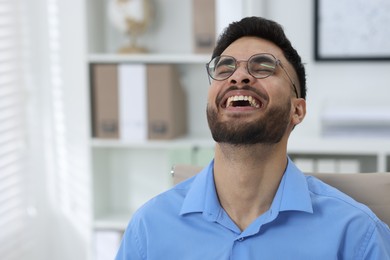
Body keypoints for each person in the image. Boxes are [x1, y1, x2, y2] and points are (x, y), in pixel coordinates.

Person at [116, 16, 390, 259]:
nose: (239, 76)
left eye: (263, 67)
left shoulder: (356, 235)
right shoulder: (149, 230)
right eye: (225, 68)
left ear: (297, 110)